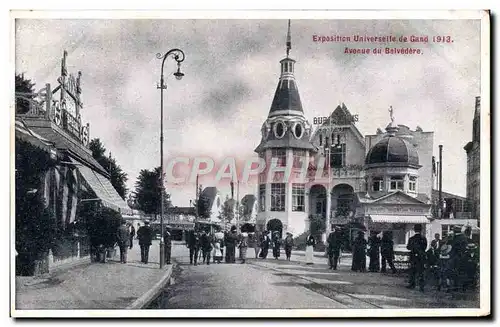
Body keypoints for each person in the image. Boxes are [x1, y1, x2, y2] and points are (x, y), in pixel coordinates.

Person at [406, 224, 428, 292]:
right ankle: (421, 287)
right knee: (421, 272)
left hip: (413, 257)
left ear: (414, 230)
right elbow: (425, 247)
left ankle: (412, 284)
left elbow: (408, 247)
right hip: (421, 257)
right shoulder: (423, 238)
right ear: (421, 230)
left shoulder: (411, 239)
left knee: (412, 271)